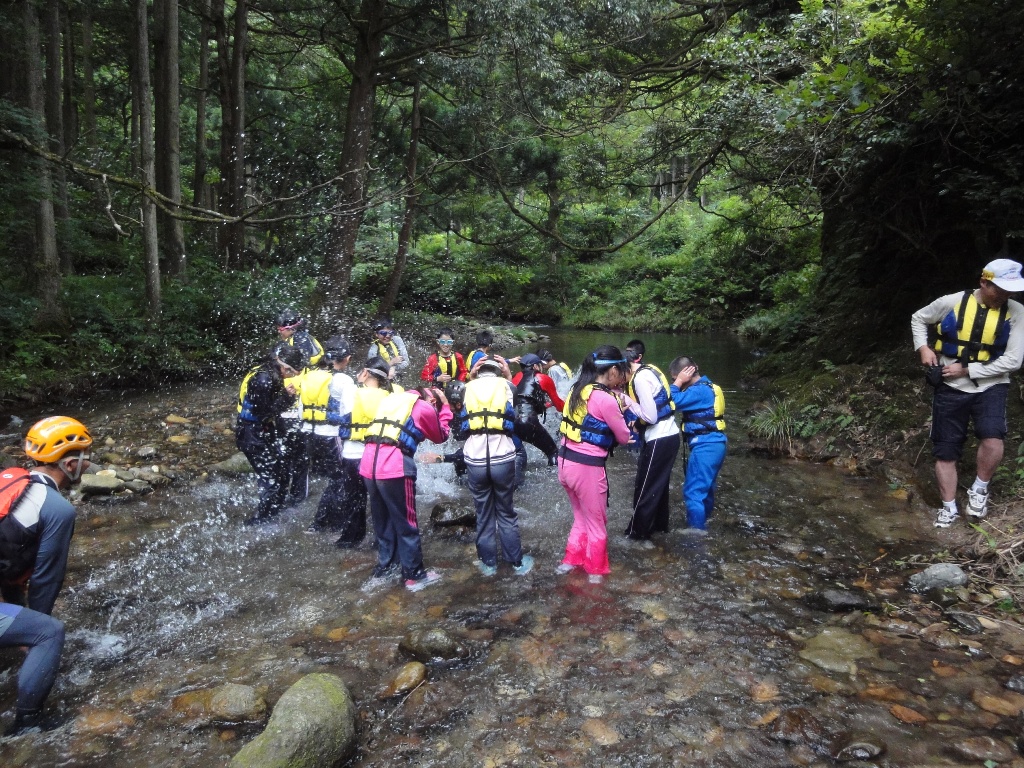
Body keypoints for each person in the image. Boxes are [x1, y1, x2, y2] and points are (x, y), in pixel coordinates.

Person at [911, 258, 1024, 527]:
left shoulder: (1017, 312)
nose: (1006, 295)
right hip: (949, 387)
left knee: (993, 437)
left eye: (1011, 290)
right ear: (984, 283)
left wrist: (968, 370)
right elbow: (919, 318)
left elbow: (1014, 360)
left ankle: (979, 490)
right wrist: (923, 347)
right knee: (946, 450)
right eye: (1000, 289)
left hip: (992, 385)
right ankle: (948, 508)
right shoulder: (952, 302)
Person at [1, 416, 92, 735]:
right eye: (85, 457)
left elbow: (8, 568)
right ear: (69, 464)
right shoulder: (57, 509)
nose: (88, 464)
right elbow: (46, 580)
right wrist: (34, 631)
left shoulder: (10, 482)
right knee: (48, 632)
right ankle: (27, 725)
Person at [360, 386, 452, 591]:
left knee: (382, 521)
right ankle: (414, 576)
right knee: (407, 523)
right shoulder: (424, 407)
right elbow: (441, 435)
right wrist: (446, 408)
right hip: (395, 466)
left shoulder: (389, 401)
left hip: (368, 464)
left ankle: (385, 570)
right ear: (431, 400)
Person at [555, 346, 632, 583]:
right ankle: (596, 574)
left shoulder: (577, 389)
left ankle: (570, 562)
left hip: (565, 463)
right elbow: (623, 437)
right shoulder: (605, 399)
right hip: (586, 468)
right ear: (613, 371)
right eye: (622, 372)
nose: (622, 378)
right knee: (598, 523)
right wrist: (622, 413)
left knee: (581, 518)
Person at [454, 355, 534, 577]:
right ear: (499, 372)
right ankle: (516, 563)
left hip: (475, 458)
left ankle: (488, 564)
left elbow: (468, 393)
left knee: (483, 513)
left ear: (478, 372)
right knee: (506, 512)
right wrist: (508, 372)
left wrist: (471, 376)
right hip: (502, 457)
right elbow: (514, 396)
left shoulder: (467, 388)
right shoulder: (507, 386)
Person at [235, 345, 305, 525]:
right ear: (285, 367)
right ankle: (259, 522)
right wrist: (287, 398)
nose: (292, 377)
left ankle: (276, 511)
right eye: (292, 372)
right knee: (271, 478)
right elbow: (265, 412)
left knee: (281, 471)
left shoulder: (270, 371)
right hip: (251, 434)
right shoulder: (263, 379)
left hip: (262, 431)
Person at [622, 339, 680, 546]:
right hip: (668, 436)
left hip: (660, 437)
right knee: (659, 487)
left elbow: (651, 416)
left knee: (645, 488)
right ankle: (660, 528)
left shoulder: (639, 379)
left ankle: (635, 536)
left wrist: (633, 413)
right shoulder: (648, 370)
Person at [335, 356, 397, 548]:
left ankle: (351, 539)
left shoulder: (352, 392)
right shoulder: (390, 396)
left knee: (353, 499)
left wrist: (358, 382)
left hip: (353, 454)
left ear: (365, 373)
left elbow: (339, 410)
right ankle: (383, 540)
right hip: (378, 455)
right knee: (381, 501)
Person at [298, 337, 358, 533]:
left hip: (308, 434)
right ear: (347, 358)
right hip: (331, 435)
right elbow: (349, 411)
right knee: (340, 478)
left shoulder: (309, 376)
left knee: (331, 479)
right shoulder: (344, 380)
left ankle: (324, 521)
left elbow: (300, 411)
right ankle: (326, 522)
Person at [669, 356, 727, 534]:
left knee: (693, 492)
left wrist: (677, 382)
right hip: (715, 443)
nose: (676, 382)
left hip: (706, 445)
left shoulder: (699, 391)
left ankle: (696, 535)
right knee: (706, 489)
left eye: (676, 377)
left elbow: (671, 400)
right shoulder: (708, 387)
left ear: (686, 374)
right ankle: (705, 524)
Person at [511, 353, 565, 467]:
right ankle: (554, 476)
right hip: (528, 422)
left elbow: (523, 400)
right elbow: (560, 406)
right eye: (540, 365)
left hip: (511, 423)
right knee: (553, 452)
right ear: (535, 366)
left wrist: (547, 405)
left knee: (518, 454)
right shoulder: (543, 378)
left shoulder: (514, 378)